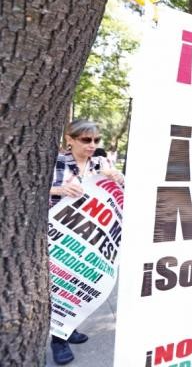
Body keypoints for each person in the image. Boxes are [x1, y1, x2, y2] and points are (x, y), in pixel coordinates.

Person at [49, 120, 124, 365]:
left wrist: (118, 179)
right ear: (69, 139)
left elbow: (116, 195)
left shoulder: (100, 164)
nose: (92, 145)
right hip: (60, 236)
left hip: (91, 236)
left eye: (96, 140)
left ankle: (68, 329)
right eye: (85, 140)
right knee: (56, 287)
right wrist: (58, 190)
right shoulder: (55, 161)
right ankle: (57, 340)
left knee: (79, 286)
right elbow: (31, 189)